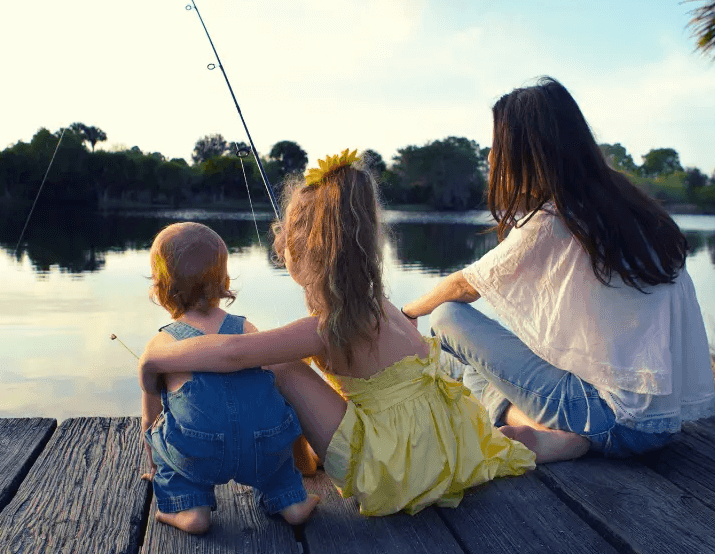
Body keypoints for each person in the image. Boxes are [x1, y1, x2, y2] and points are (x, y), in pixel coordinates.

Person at [139, 150, 537, 517]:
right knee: (510, 440)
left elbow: (234, 354)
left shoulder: (325, 327)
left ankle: (298, 465)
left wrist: (156, 358)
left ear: (301, 251)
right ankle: (555, 440)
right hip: (446, 442)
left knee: (278, 363)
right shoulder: (379, 304)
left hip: (391, 469)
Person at [401, 77, 715, 462]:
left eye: (497, 146)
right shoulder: (630, 208)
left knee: (447, 318)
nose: (490, 158)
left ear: (526, 152)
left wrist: (405, 313)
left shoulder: (557, 217)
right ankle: (554, 434)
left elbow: (464, 287)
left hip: (607, 418)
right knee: (470, 364)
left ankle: (551, 431)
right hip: (659, 427)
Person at [138, 222, 319, 534]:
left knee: (163, 434)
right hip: (263, 444)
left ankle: (190, 513)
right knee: (273, 456)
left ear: (160, 288)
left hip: (199, 451)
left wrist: (155, 464)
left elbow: (149, 420)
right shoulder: (246, 329)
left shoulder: (161, 344)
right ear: (223, 280)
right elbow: (273, 382)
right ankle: (292, 502)